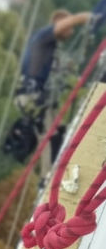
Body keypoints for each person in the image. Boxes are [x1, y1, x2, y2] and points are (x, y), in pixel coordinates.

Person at [10, 9, 93, 170]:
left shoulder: (48, 45)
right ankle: (48, 178)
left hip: (36, 97)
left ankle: (53, 171)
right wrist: (86, 18)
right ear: (59, 23)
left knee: (59, 132)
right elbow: (68, 22)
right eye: (69, 29)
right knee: (51, 136)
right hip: (33, 97)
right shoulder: (45, 35)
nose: (72, 32)